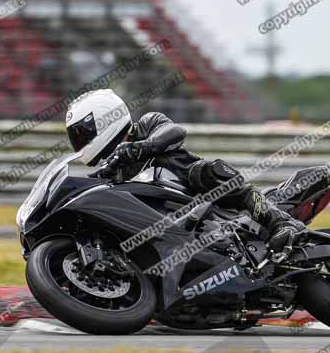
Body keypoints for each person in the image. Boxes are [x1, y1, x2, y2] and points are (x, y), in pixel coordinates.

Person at [65, 89, 306, 255]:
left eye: (83, 134)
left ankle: (282, 223)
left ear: (104, 118)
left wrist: (138, 148)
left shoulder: (148, 124)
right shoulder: (111, 170)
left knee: (208, 171)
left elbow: (174, 132)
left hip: (199, 196)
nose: (81, 143)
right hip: (168, 225)